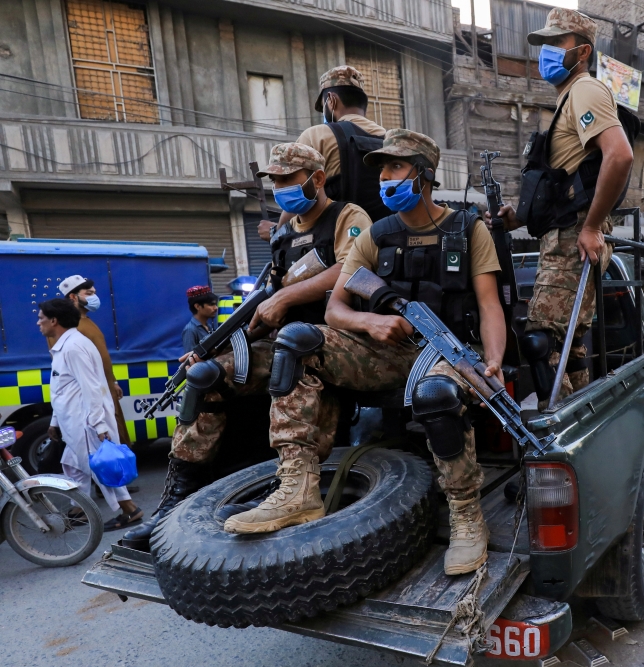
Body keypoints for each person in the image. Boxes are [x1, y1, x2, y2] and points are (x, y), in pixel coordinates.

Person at [222, 130, 505, 577]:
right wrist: (370, 322)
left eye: (396, 167)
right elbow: (335, 309)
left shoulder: (468, 229)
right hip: (386, 352)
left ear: (424, 174)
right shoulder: (376, 235)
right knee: (296, 341)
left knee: (436, 395)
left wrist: (493, 363)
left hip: (448, 350)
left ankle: (466, 511)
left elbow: (489, 306)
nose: (385, 177)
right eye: (382, 169)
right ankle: (298, 487)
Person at [122, 142, 372, 551]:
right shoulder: (285, 234)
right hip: (283, 343)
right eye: (276, 181)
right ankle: (176, 501)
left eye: (288, 179)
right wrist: (214, 349)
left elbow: (352, 268)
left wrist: (286, 297)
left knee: (294, 351)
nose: (280, 188)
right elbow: (265, 304)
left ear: (317, 178)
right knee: (205, 375)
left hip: (337, 341)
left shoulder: (347, 217)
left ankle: (290, 487)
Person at [488, 8, 633, 408]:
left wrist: (592, 226)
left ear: (582, 52)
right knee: (569, 342)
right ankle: (583, 414)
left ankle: (559, 429)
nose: (546, 52)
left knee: (540, 339)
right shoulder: (568, 97)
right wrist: (517, 217)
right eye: (544, 44)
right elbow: (564, 181)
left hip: (573, 237)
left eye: (556, 43)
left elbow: (619, 155)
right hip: (566, 233)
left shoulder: (585, 90)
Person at [38, 299, 142, 531]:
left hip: (85, 423)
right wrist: (55, 422)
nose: (38, 322)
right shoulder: (66, 346)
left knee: (101, 467)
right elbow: (62, 389)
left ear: (54, 320)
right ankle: (80, 509)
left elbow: (92, 387)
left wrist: (98, 424)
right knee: (73, 466)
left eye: (41, 318)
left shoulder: (74, 347)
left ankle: (130, 510)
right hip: (73, 423)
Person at [260, 66, 387, 241]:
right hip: (386, 243)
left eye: (323, 106)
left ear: (331, 100)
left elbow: (298, 193)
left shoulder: (317, 135)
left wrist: (277, 234)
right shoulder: (390, 140)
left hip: (336, 245)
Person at [51, 276, 131, 448]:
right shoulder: (68, 329)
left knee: (118, 444)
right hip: (92, 400)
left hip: (106, 391)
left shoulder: (87, 321)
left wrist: (112, 382)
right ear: (73, 297)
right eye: (88, 293)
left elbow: (101, 357)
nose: (94, 297)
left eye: (94, 293)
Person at [182, 286, 219, 353]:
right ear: (197, 306)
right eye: (211, 304)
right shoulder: (190, 330)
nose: (216, 308)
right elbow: (190, 357)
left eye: (215, 304)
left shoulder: (208, 326)